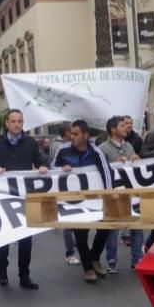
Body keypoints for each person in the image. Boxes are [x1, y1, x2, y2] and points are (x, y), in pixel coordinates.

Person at [0, 109, 46, 289]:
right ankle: (2, 269)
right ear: (6, 123)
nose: (17, 124)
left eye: (20, 121)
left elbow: (41, 160)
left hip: (25, 196)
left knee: (26, 238)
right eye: (13, 121)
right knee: (3, 237)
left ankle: (24, 275)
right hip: (2, 196)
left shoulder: (31, 143)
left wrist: (43, 167)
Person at [54, 120, 113, 283]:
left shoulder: (96, 152)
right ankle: (88, 268)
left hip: (95, 200)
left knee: (105, 229)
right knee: (80, 235)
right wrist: (60, 169)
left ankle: (94, 258)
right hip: (74, 202)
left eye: (75, 134)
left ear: (86, 135)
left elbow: (106, 173)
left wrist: (108, 195)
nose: (71, 137)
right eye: (71, 133)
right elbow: (51, 172)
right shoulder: (63, 150)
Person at [100, 116, 144, 272]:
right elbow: (99, 172)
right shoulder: (103, 148)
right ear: (113, 129)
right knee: (113, 228)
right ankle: (111, 261)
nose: (127, 127)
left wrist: (136, 159)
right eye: (122, 125)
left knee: (137, 226)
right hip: (113, 194)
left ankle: (137, 259)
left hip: (130, 193)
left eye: (127, 125)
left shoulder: (129, 146)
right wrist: (113, 164)